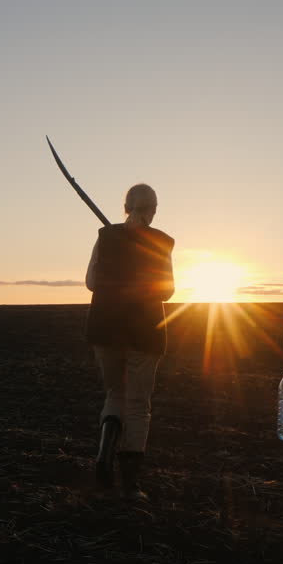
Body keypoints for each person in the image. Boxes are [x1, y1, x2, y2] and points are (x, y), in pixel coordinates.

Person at [85, 183, 175, 501]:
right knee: (138, 404)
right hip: (145, 332)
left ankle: (104, 455)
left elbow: (92, 282)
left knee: (115, 392)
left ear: (126, 207)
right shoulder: (163, 243)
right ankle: (131, 484)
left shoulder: (106, 236)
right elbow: (167, 291)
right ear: (152, 210)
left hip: (104, 328)